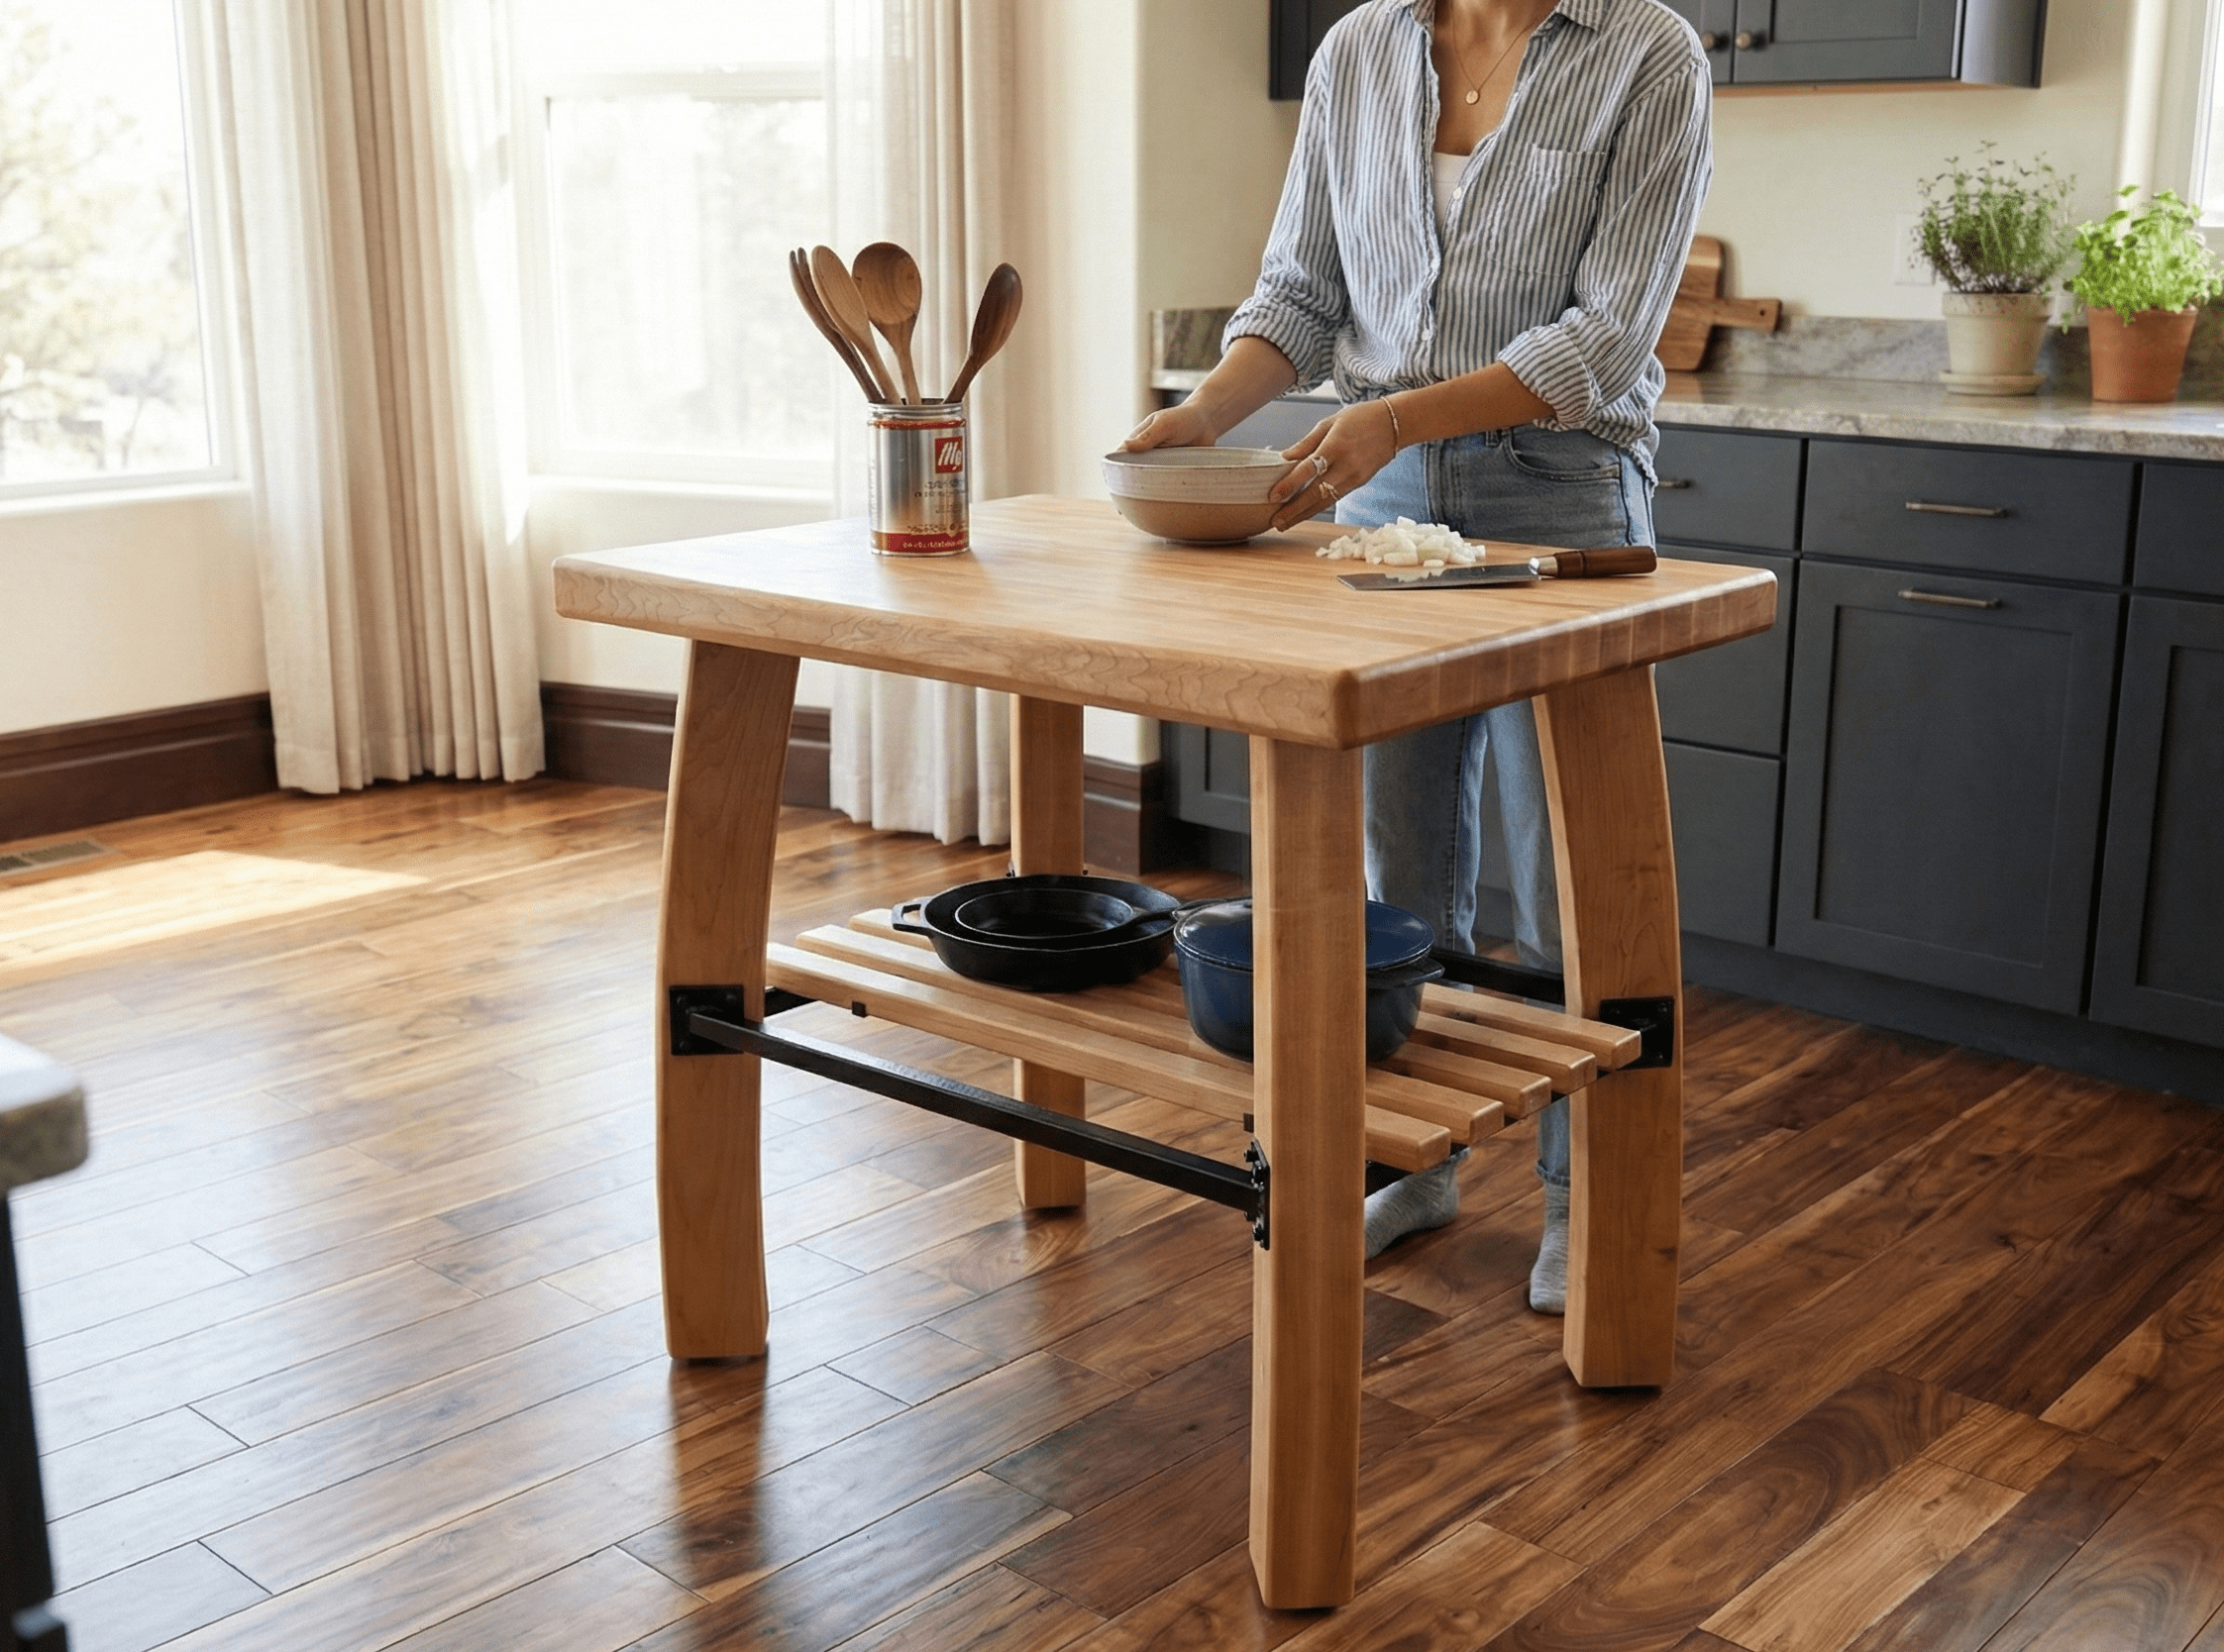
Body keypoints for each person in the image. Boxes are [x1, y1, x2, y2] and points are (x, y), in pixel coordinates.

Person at [1123, 0, 1712, 1311]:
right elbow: (1301, 292)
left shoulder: (1646, 52)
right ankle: (1416, 1158)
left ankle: (1581, 1198)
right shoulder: (1357, 52)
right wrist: (1202, 415)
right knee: (1399, 872)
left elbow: (1607, 338)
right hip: (1382, 509)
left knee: (1562, 883)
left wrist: (1392, 415)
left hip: (1561, 493)